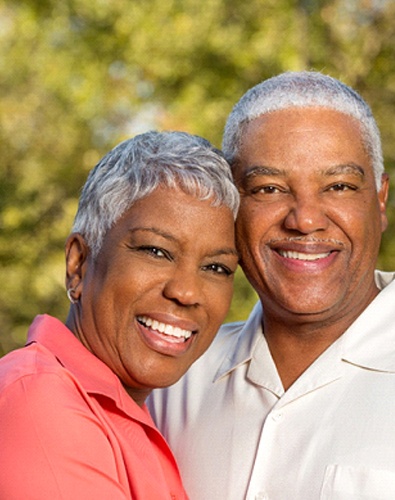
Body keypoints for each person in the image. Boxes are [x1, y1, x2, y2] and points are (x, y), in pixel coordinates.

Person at [148, 71, 395, 499]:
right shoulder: (172, 379)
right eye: (269, 188)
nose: (305, 219)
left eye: (338, 186)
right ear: (231, 207)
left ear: (379, 199)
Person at [0, 130, 240, 499]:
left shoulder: (134, 416)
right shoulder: (38, 400)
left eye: (216, 268)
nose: (186, 292)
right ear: (78, 264)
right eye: (156, 251)